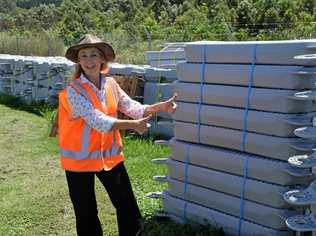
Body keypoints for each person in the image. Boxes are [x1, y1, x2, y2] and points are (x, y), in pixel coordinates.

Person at [58, 34, 177, 236]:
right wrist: (132, 125)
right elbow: (98, 120)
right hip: (78, 163)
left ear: (102, 58)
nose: (89, 60)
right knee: (86, 215)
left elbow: (134, 108)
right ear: (78, 61)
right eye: (84, 55)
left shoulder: (111, 84)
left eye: (93, 55)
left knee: (129, 209)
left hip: (109, 159)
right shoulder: (72, 91)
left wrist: (161, 107)